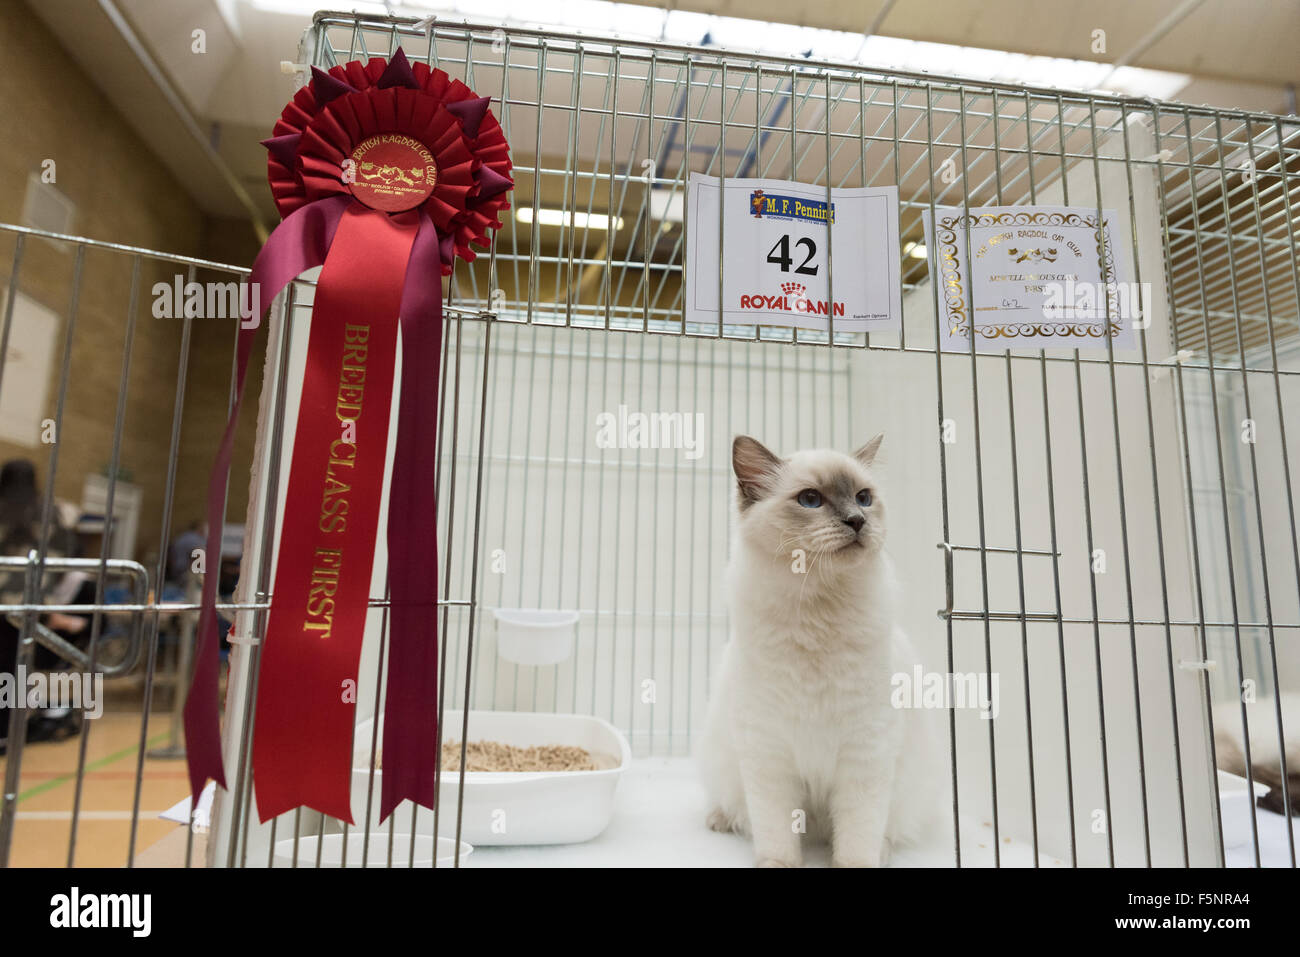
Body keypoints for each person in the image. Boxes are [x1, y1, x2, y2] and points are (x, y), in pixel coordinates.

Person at [0, 459, 91, 753]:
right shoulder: (50, 511)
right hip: (29, 604)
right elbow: (61, 556)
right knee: (15, 669)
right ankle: (7, 733)